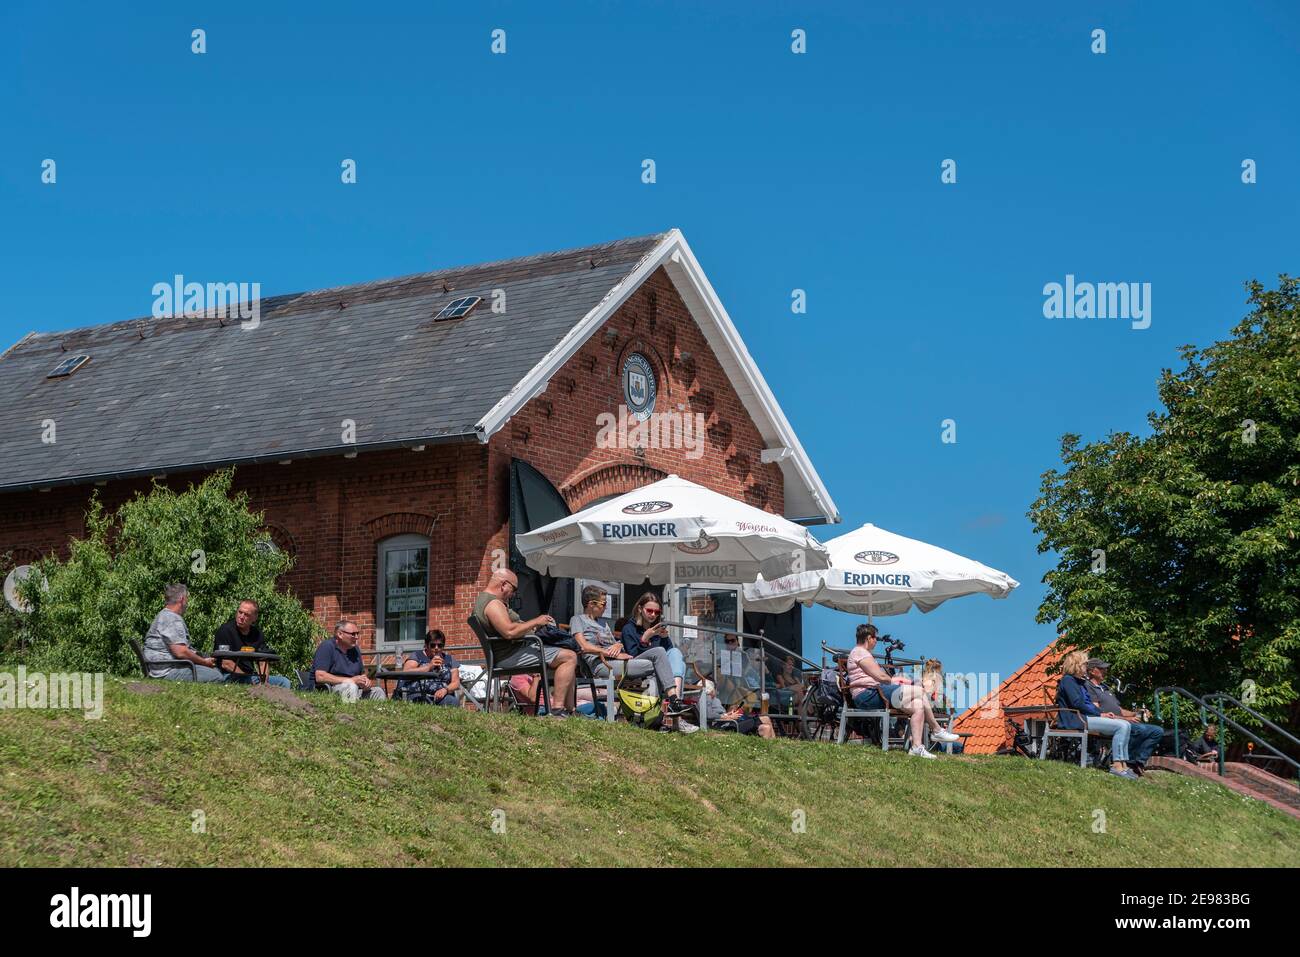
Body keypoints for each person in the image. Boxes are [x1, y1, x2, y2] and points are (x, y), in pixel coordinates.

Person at [845, 623, 960, 759]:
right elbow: (881, 677)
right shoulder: (860, 652)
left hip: (876, 692)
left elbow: (881, 678)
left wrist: (896, 680)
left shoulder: (863, 653)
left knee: (918, 705)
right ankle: (936, 729)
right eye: (875, 638)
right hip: (868, 695)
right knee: (920, 691)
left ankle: (917, 747)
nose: (876, 641)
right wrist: (896, 680)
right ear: (869, 638)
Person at [475, 568, 577, 717]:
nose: (514, 593)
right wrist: (536, 621)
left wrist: (533, 628)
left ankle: (570, 710)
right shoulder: (493, 604)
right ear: (503, 584)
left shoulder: (487, 601)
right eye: (514, 588)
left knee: (566, 656)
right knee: (569, 657)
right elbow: (509, 632)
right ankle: (558, 710)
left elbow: (510, 629)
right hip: (510, 655)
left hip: (515, 651)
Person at [569, 585, 684, 717]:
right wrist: (607, 652)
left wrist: (618, 645)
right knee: (658, 662)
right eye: (604, 603)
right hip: (601, 665)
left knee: (659, 653)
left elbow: (615, 644)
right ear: (591, 604)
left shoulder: (603, 624)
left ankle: (662, 709)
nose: (606, 607)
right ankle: (663, 708)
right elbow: (583, 646)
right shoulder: (577, 620)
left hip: (617, 662)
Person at [1055, 650, 1136, 778]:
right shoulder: (1068, 680)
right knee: (1121, 726)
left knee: (1125, 724)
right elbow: (1078, 703)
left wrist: (1100, 713)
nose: (1086, 668)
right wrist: (1100, 714)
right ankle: (1117, 766)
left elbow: (1086, 704)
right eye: (1084, 664)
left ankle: (1123, 764)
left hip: (1084, 717)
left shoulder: (1078, 682)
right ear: (1076, 665)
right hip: (1075, 719)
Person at [1084, 658, 1164, 775]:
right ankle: (1127, 762)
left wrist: (1136, 713)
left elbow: (1120, 710)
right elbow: (1098, 711)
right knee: (1139, 729)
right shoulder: (1088, 686)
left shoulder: (1105, 688)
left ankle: (1137, 762)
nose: (1105, 671)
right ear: (1091, 671)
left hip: (1122, 720)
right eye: (1101, 669)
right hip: (1107, 722)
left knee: (1157, 731)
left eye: (1105, 668)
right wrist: (1127, 719)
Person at [142, 583, 224, 682]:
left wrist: (202, 657)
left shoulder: (164, 615)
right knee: (217, 676)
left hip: (161, 668)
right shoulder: (171, 618)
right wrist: (204, 662)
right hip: (167, 671)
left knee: (215, 670)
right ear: (182, 599)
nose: (187, 603)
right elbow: (181, 652)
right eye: (187, 599)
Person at [620, 593, 688, 706]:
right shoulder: (629, 629)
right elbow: (632, 655)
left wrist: (665, 638)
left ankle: (675, 699)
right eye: (649, 610)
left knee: (675, 652)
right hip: (636, 667)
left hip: (657, 667)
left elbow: (670, 654)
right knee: (659, 651)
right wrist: (644, 639)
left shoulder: (656, 629)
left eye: (657, 612)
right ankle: (674, 700)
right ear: (640, 609)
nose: (653, 615)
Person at [212, 599, 292, 688]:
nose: (241, 617)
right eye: (240, 612)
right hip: (228, 675)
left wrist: (263, 683)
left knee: (284, 682)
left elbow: (263, 661)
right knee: (249, 680)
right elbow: (226, 663)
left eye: (246, 615)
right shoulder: (225, 630)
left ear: (254, 618)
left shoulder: (257, 634)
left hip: (250, 676)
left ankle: (281, 701)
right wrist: (248, 678)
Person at [312, 620, 386, 701]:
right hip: (330, 690)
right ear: (340, 634)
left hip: (354, 690)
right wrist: (351, 680)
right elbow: (320, 676)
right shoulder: (327, 647)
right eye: (353, 634)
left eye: (358, 633)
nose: (357, 637)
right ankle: (350, 713)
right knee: (351, 687)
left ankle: (378, 712)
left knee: (378, 691)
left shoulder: (355, 650)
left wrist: (365, 682)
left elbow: (362, 674)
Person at [400, 628, 461, 706]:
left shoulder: (449, 659)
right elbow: (406, 672)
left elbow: (456, 682)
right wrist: (429, 666)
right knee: (419, 702)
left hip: (441, 696)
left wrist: (445, 690)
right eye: (432, 645)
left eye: (440, 645)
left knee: (453, 702)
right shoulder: (417, 656)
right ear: (426, 645)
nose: (436, 648)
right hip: (418, 694)